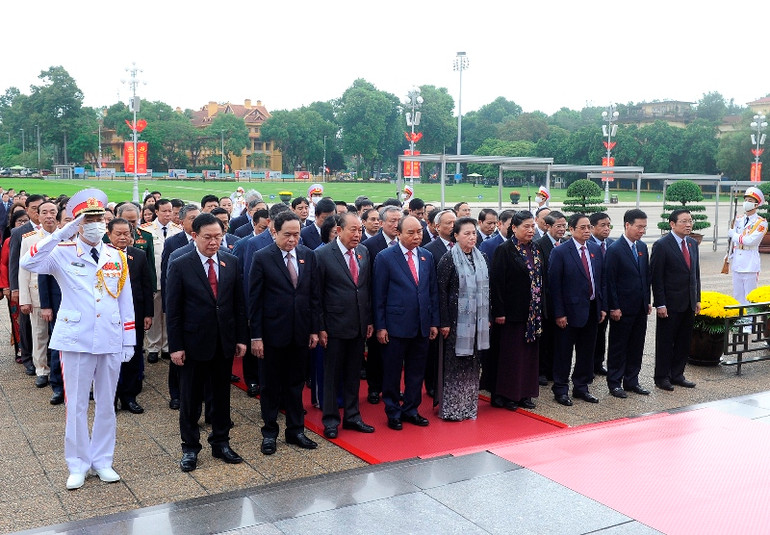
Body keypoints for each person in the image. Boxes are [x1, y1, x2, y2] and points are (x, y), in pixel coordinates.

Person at [20, 188, 135, 490]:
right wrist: (62, 232)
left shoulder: (116, 255)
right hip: (76, 338)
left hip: (110, 336)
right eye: (89, 219)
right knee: (77, 405)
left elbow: (125, 300)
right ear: (78, 222)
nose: (96, 224)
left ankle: (103, 460)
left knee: (107, 403)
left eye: (100, 218)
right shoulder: (61, 252)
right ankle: (78, 464)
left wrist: (129, 339)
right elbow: (29, 262)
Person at [166, 213, 248, 472]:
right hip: (193, 343)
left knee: (222, 397)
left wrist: (241, 338)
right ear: (194, 236)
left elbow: (238, 304)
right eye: (208, 238)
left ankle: (221, 442)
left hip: (223, 342)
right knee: (190, 399)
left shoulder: (231, 262)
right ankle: (190, 447)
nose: (214, 243)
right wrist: (176, 346)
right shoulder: (180, 263)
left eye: (218, 237)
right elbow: (174, 309)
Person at [249, 211, 319, 455]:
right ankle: (269, 433)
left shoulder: (307, 256)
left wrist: (313, 329)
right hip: (271, 334)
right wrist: (256, 336)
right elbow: (254, 300)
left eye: (296, 234)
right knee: (270, 386)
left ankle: (296, 430)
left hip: (299, 332)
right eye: (287, 235)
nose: (292, 239)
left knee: (296, 384)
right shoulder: (262, 257)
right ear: (274, 232)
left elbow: (312, 296)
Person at [373, 215, 439, 430]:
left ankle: (411, 409)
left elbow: (432, 292)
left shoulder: (427, 256)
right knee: (392, 372)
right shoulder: (385, 257)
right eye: (410, 233)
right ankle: (393, 411)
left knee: (416, 372)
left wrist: (433, 322)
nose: (416, 236)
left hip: (421, 324)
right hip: (395, 326)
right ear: (398, 233)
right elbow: (379, 295)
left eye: (419, 232)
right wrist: (380, 326)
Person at [316, 212, 375, 438]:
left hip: (358, 324)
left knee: (353, 373)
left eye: (360, 230)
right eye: (353, 230)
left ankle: (352, 416)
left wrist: (368, 320)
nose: (357, 234)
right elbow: (317, 295)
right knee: (332, 375)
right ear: (338, 230)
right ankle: (331, 419)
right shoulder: (322, 255)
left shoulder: (363, 252)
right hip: (334, 325)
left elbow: (365, 288)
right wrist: (320, 326)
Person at [549, 213, 607, 406]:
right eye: (582, 227)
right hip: (568, 311)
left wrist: (601, 306)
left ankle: (581, 387)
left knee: (587, 352)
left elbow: (599, 281)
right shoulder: (560, 252)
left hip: (591, 309)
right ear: (571, 229)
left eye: (589, 227)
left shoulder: (595, 249)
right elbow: (554, 286)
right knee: (564, 352)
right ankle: (561, 389)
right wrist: (559, 313)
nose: (587, 231)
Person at [436, 217, 490, 421]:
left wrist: (488, 318)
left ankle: (468, 406)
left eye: (473, 233)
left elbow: (487, 291)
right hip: (456, 323)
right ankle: (452, 408)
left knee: (473, 364)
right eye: (466, 233)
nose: (471, 237)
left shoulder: (482, 257)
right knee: (455, 365)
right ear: (456, 236)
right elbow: (441, 292)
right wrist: (444, 322)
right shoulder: (448, 259)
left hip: (477, 322)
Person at [490, 210, 544, 410]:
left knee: (529, 356)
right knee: (511, 356)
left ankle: (524, 393)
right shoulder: (505, 250)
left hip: (532, 314)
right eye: (526, 227)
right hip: (512, 313)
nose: (531, 230)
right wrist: (499, 311)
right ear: (514, 228)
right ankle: (507, 394)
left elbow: (541, 280)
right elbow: (497, 283)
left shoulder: (536, 249)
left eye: (533, 226)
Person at [107, 218, 154, 414]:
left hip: (134, 315)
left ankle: (130, 397)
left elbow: (146, 286)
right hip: (109, 316)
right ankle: (111, 398)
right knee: (110, 358)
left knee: (133, 356)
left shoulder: (139, 256)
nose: (123, 237)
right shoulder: (102, 256)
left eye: (127, 233)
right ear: (109, 234)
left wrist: (148, 314)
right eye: (118, 233)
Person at [650, 209, 701, 391]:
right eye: (684, 221)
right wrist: (660, 303)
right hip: (670, 304)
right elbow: (657, 277)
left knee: (683, 341)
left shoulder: (693, 244)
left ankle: (677, 374)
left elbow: (695, 274)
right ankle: (662, 376)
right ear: (672, 224)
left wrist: (697, 299)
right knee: (666, 341)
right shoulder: (662, 245)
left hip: (688, 302)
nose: (688, 225)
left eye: (690, 221)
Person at [605, 209, 651, 398]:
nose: (642, 231)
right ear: (627, 225)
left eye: (644, 227)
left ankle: (632, 380)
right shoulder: (615, 249)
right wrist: (614, 306)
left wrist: (647, 301)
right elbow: (610, 281)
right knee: (618, 346)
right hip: (622, 309)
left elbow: (645, 277)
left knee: (636, 345)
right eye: (639, 227)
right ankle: (615, 382)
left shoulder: (642, 248)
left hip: (639, 306)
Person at [362, 206, 402, 404]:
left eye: (398, 221)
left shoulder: (405, 243)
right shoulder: (370, 245)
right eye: (392, 221)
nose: (396, 225)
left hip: (399, 309)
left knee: (395, 354)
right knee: (376, 352)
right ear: (382, 223)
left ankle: (392, 388)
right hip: (377, 305)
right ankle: (374, 387)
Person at [18, 200, 59, 387]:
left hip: (60, 295)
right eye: (44, 212)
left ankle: (59, 370)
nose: (49, 216)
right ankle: (42, 370)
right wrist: (24, 299)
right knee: (40, 334)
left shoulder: (64, 236)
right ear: (38, 216)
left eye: (52, 212)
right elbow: (23, 271)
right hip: (36, 295)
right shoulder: (29, 239)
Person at [140, 199, 183, 364]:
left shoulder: (177, 230)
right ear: (156, 212)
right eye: (164, 211)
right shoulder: (145, 230)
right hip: (154, 279)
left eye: (170, 211)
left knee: (169, 314)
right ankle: (153, 347)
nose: (168, 214)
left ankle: (166, 345)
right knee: (154, 314)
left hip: (172, 281)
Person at [536, 210, 566, 385]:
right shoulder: (539, 245)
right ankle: (541, 371)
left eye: (564, 226)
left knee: (559, 339)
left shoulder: (566, 244)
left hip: (562, 298)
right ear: (548, 226)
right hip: (545, 299)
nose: (562, 229)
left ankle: (554, 370)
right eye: (558, 226)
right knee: (545, 338)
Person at [728, 186, 768, 304]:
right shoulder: (738, 219)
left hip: (750, 262)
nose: (746, 203)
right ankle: (739, 320)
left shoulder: (761, 222)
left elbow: (750, 240)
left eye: (750, 201)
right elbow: (732, 241)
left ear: (756, 204)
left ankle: (750, 322)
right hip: (737, 261)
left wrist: (734, 235)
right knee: (737, 295)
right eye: (746, 200)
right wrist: (729, 254)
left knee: (749, 296)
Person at [0, 209, 30, 362]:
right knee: (17, 319)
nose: (23, 224)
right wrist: (6, 287)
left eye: (26, 221)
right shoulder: (9, 240)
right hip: (14, 286)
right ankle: (20, 349)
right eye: (20, 221)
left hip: (31, 285)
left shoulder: (35, 238)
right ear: (13, 224)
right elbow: (4, 264)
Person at [589, 212, 613, 377]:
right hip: (593, 298)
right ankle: (588, 365)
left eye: (608, 225)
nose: (606, 229)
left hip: (609, 297)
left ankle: (598, 363)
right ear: (592, 227)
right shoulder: (587, 244)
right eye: (602, 225)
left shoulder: (612, 244)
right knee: (592, 335)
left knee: (603, 333)